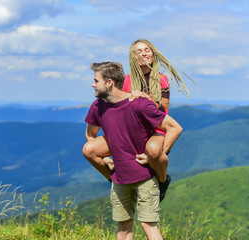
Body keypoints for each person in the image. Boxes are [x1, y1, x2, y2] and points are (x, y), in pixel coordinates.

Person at [82, 39, 192, 202]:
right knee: (89, 150)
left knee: (155, 151)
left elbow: (162, 109)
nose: (143, 53)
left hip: (154, 129)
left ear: (153, 54)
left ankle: (162, 182)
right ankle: (115, 180)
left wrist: (144, 97)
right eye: (138, 51)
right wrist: (106, 157)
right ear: (132, 57)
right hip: (129, 130)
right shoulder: (126, 80)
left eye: (147, 50)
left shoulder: (162, 79)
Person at [84, 62, 183, 239]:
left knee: (149, 226)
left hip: (145, 176)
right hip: (119, 178)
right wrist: (105, 159)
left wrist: (158, 155)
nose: (92, 85)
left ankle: (162, 180)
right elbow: (91, 135)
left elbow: (174, 128)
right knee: (123, 228)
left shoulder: (139, 105)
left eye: (95, 81)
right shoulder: (97, 107)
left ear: (109, 83)